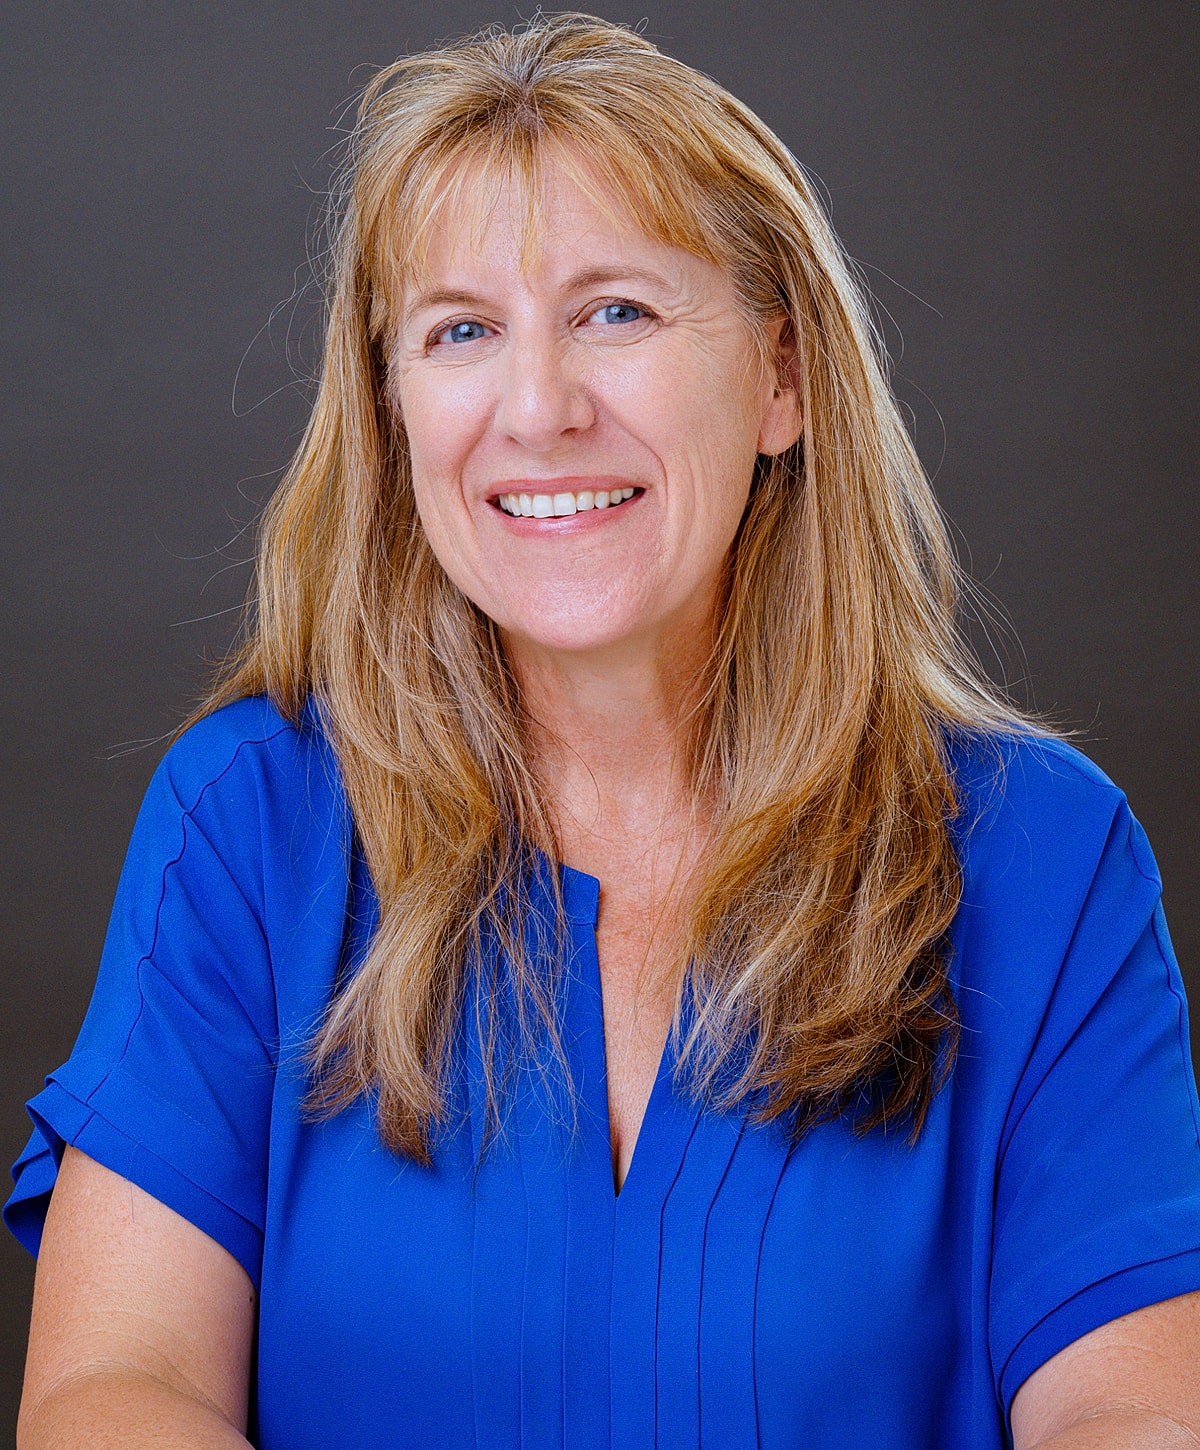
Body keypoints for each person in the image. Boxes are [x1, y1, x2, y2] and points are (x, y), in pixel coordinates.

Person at [8, 13, 1200, 1448]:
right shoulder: (247, 824)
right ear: (392, 413)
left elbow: (1136, 1412)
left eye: (616, 312)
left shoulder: (1044, 855)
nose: (538, 409)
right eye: (461, 331)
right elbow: (113, 1389)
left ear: (782, 376)